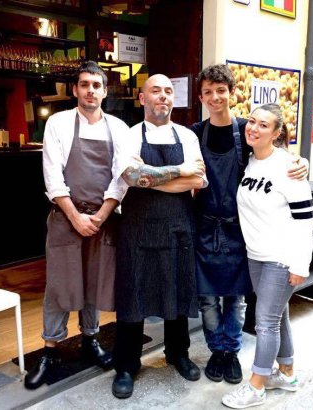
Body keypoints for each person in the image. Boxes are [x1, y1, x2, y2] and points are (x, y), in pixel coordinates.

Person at [190, 64, 308, 386]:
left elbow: (276, 154)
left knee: (236, 298)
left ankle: (232, 351)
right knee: (207, 299)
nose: (215, 97)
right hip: (205, 228)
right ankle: (217, 350)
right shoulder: (194, 133)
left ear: (231, 92)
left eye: (221, 90)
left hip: (238, 231)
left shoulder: (245, 129)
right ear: (201, 96)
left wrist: (300, 161)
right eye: (208, 92)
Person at [24, 61, 129, 390]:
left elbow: (122, 177)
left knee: (94, 283)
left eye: (96, 85)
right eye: (84, 85)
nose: (90, 91)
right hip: (66, 218)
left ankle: (91, 340)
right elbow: (53, 177)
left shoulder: (119, 128)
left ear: (105, 91)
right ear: (75, 90)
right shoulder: (58, 123)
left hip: (104, 219)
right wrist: (76, 217)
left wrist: (100, 216)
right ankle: (50, 349)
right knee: (59, 286)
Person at [111, 74, 207, 399]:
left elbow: (199, 180)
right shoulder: (128, 135)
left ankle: (178, 353)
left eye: (168, 91)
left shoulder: (187, 135)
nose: (163, 96)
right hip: (137, 230)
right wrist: (180, 171)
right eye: (156, 91)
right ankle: (126, 365)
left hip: (179, 226)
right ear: (142, 98)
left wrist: (151, 178)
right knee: (133, 294)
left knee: (177, 288)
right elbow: (131, 176)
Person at [222, 103, 313, 408]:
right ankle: (286, 373)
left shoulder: (289, 167)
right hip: (256, 255)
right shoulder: (249, 162)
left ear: (276, 133)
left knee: (265, 321)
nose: (254, 128)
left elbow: (305, 220)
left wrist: (301, 263)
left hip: (282, 255)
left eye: (264, 125)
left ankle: (257, 386)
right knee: (278, 314)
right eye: (251, 121)